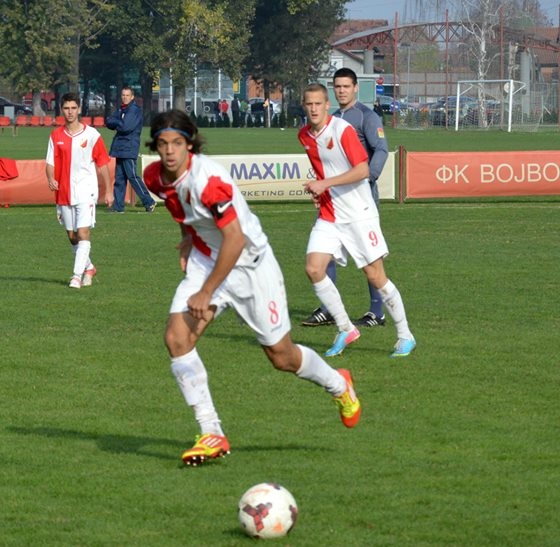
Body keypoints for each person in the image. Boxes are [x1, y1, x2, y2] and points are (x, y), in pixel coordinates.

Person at [142, 109, 360, 467]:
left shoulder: (209, 182)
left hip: (250, 266)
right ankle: (211, 431)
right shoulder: (154, 177)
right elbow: (180, 209)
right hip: (207, 261)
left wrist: (206, 292)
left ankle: (339, 384)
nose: (169, 151)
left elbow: (235, 239)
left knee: (281, 357)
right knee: (177, 339)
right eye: (163, 144)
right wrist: (187, 239)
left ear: (190, 145)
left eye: (177, 143)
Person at [298, 83, 416, 359]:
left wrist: (325, 183)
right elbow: (324, 170)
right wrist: (320, 191)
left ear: (327, 105)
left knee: (375, 276)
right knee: (314, 268)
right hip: (330, 215)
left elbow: (363, 170)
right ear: (304, 106)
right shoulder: (304, 136)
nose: (313, 109)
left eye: (318, 104)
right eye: (309, 104)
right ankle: (346, 328)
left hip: (359, 213)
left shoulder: (342, 130)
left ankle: (405, 335)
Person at [302, 68, 391, 329]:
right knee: (324, 250)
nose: (341, 91)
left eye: (346, 86)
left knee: (369, 257)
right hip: (333, 197)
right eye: (337, 86)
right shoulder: (330, 118)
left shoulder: (367, 116)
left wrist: (368, 178)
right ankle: (329, 309)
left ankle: (377, 312)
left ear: (355, 88)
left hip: (360, 196)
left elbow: (381, 150)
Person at [45, 92, 113, 288]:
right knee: (72, 236)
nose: (70, 112)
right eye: (66, 108)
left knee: (83, 233)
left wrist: (109, 190)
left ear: (79, 109)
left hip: (86, 190)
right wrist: (51, 178)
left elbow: (103, 163)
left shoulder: (92, 135)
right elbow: (49, 162)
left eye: (73, 108)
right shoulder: (55, 135)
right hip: (64, 192)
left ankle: (76, 276)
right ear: (61, 110)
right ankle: (89, 267)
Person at [105, 86, 155, 214]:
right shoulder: (121, 109)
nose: (125, 97)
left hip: (129, 148)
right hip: (120, 148)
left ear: (132, 97)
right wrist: (118, 122)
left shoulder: (134, 110)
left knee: (132, 177)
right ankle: (118, 207)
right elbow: (108, 122)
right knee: (119, 179)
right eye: (123, 95)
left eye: (127, 95)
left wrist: (116, 122)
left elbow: (125, 127)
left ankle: (149, 201)